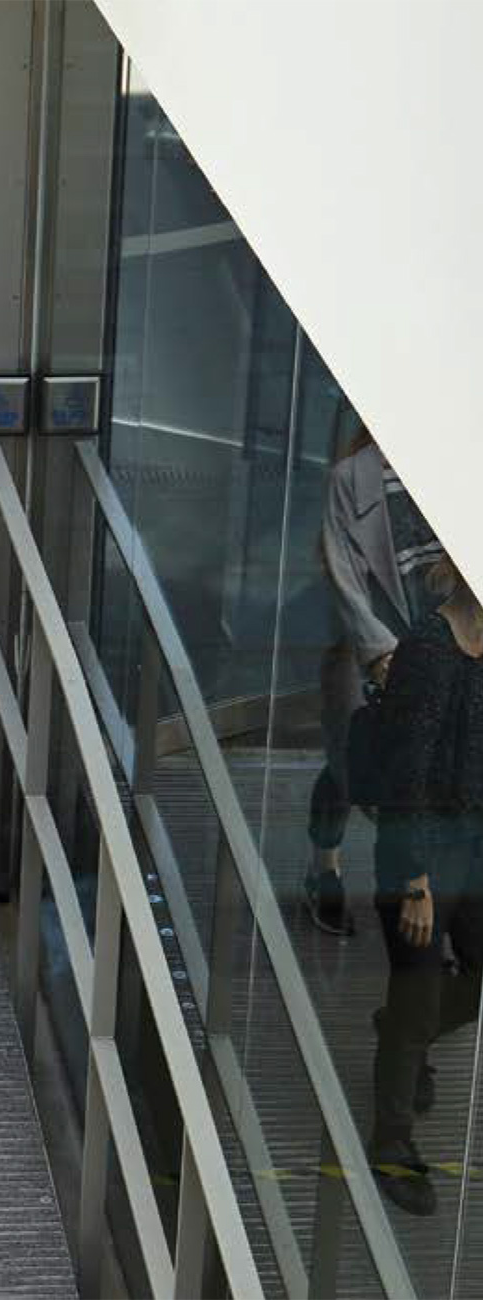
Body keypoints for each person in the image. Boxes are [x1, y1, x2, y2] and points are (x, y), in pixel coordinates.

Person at [366, 557, 483, 1217]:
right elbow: (404, 773)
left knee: (468, 983)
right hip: (421, 857)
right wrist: (414, 880)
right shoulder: (428, 649)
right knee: (414, 1002)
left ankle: (403, 1041)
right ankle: (392, 1144)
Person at [306, 430, 447, 935]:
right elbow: (344, 577)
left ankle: (430, 908)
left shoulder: (453, 460)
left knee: (431, 769)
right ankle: (325, 866)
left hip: (444, 647)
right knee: (351, 764)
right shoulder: (353, 478)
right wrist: (380, 653)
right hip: (370, 648)